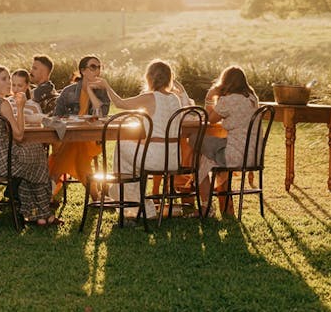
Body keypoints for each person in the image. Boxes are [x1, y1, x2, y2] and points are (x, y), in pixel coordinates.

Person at [0, 66, 59, 226]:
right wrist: (20, 108)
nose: (9, 83)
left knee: (33, 160)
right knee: (39, 157)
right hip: (2, 164)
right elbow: (19, 136)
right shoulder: (3, 103)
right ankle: (42, 214)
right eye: (4, 79)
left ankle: (38, 215)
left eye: (9, 79)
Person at [94, 59, 189, 218]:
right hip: (173, 158)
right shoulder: (175, 98)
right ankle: (125, 196)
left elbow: (120, 103)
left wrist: (106, 86)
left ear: (150, 78)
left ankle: (123, 194)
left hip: (156, 158)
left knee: (122, 144)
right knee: (131, 154)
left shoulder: (150, 97)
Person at [198, 65, 258, 215]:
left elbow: (210, 119)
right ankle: (222, 205)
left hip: (234, 155)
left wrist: (209, 97)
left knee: (195, 143)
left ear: (225, 82)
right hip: (252, 155)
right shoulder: (252, 99)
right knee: (207, 154)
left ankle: (205, 205)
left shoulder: (229, 100)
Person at [49, 55, 110, 198]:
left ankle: (53, 180)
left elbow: (102, 115)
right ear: (83, 71)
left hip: (93, 140)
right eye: (93, 67)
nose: (97, 70)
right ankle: (95, 195)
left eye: (99, 67)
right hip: (69, 138)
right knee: (76, 146)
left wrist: (90, 91)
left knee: (75, 144)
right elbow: (56, 117)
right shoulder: (68, 91)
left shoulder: (101, 92)